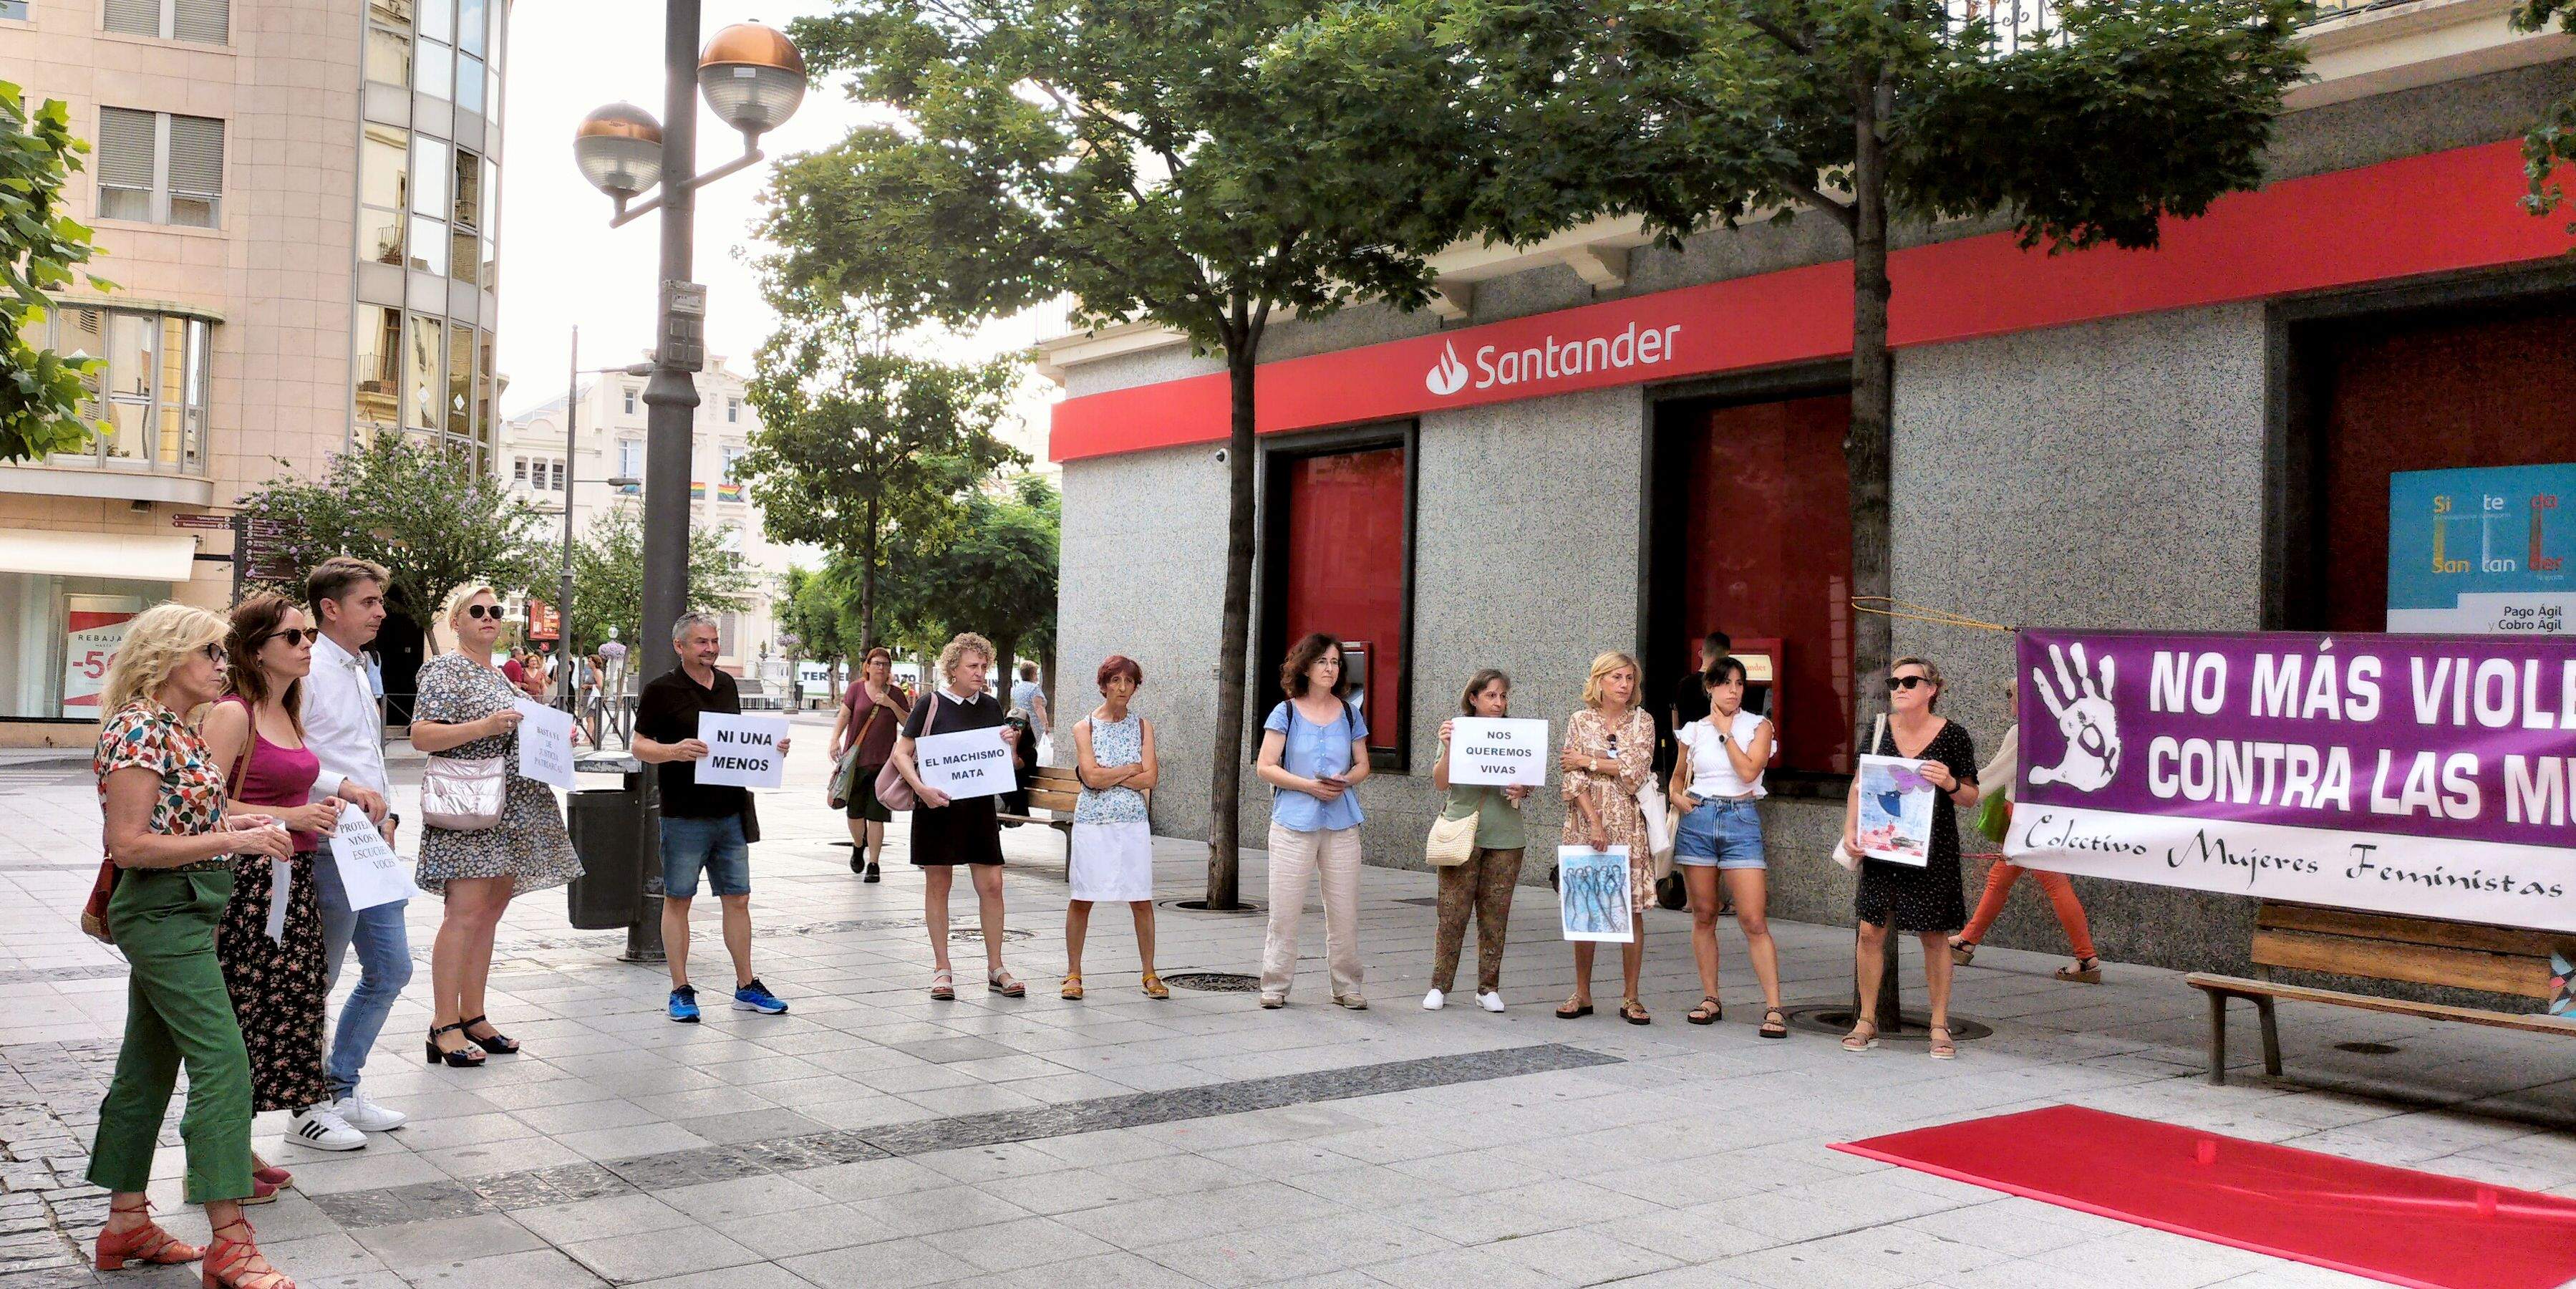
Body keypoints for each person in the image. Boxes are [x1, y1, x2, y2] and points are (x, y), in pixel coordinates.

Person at [87, 602, 299, 1287]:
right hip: (161, 913)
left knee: (146, 1067)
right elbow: (130, 844)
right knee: (223, 1065)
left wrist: (250, 820)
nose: (220, 664)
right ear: (168, 655)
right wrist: (234, 839)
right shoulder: (139, 731)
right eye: (208, 652)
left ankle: (125, 1224)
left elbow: (193, 813)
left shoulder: (176, 728)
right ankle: (230, 1242)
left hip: (189, 909)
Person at [202, 596, 359, 1165]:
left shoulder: (287, 709)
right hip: (245, 881)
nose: (307, 645)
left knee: (289, 1003)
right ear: (256, 650)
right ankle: (222, 1148)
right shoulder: (233, 712)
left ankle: (246, 1140)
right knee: (245, 1009)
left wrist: (332, 799)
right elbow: (206, 801)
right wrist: (289, 817)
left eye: (308, 635)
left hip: (291, 876)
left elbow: (292, 788)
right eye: (293, 637)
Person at [410, 586, 583, 1066]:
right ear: (456, 622)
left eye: (496, 611)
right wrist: (484, 727)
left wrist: (548, 729)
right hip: (470, 805)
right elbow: (422, 734)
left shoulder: (503, 674)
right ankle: (443, 1024)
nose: (489, 618)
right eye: (477, 611)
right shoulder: (446, 668)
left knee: (488, 914)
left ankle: (473, 1015)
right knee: (464, 913)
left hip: (513, 808)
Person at [633, 612, 792, 1023]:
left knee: (738, 898)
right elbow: (639, 746)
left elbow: (736, 742)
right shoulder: (660, 690)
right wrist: (673, 751)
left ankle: (746, 985)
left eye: (715, 641)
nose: (711, 648)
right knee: (679, 898)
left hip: (730, 810)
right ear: (680, 647)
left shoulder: (727, 685)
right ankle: (680, 989)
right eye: (702, 642)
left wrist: (772, 749)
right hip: (684, 813)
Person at [300, 558, 411, 1141]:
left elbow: (367, 752)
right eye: (369, 602)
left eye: (380, 601)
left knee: (391, 968)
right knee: (318, 975)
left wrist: (388, 812)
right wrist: (341, 792)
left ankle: (341, 1086)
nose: (380, 612)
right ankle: (306, 1104)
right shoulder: (308, 668)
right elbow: (294, 757)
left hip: (370, 843)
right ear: (331, 608)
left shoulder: (359, 665)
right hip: (329, 842)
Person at [1842, 656, 1980, 1060]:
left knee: (1934, 936)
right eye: (1894, 681)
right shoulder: (1880, 728)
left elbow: (1972, 796)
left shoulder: (1952, 736)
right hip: (1883, 846)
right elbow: (1859, 783)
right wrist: (1850, 829)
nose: (1899, 688)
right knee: (1870, 931)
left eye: (1909, 681)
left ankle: (1939, 1024)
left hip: (1932, 848)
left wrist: (1951, 782)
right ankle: (1866, 1019)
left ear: (1931, 690)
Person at [888, 632, 1025, 999]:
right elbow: (902, 753)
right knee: (938, 885)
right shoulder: (931, 704)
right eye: (973, 667)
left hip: (978, 810)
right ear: (953, 669)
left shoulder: (992, 707)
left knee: (993, 885)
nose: (980, 673)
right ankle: (942, 969)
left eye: (984, 666)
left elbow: (1004, 766)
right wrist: (921, 789)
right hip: (937, 808)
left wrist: (1011, 750)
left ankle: (996, 967)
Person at [1950, 682, 2101, 983]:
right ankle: (1967, 940)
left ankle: (2087, 959)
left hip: (2025, 818)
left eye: (2011, 694)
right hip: (2045, 816)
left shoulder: (2022, 731)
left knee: (2054, 883)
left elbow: (1994, 775)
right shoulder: (2058, 729)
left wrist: (1954, 788)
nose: (2008, 700)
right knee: (2000, 878)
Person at [1670, 656, 1788, 1037]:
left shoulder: (1759, 725)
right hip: (1699, 818)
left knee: (1754, 919)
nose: (1733, 691)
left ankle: (1774, 1007)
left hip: (1741, 818)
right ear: (1709, 687)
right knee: (1703, 914)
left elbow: (1749, 771)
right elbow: (1677, 775)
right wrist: (1676, 796)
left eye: (1739, 684)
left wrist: (1726, 733)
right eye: (1724, 683)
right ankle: (1711, 997)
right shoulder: (1692, 730)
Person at [1254, 632, 1372, 1010]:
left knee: (1344, 910)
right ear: (1304, 666)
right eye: (1322, 661)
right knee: (1284, 910)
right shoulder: (1286, 711)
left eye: (1336, 662)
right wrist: (1308, 786)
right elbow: (1265, 766)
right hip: (1293, 822)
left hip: (1341, 821)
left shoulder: (1351, 712)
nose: (1330, 668)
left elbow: (1363, 764)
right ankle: (1274, 984)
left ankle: (1347, 985)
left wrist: (1345, 781)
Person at [1559, 652, 1657, 1024]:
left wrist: (1591, 760)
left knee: (1630, 908)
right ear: (1599, 680)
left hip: (1629, 821)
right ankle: (1582, 992)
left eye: (1630, 678)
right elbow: (1570, 775)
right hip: (1586, 822)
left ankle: (1631, 996)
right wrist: (1594, 822)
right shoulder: (1579, 720)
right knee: (1585, 904)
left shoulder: (1643, 721)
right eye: (1616, 677)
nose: (1624, 685)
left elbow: (1636, 770)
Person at [1424, 670, 1529, 1013]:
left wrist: (1522, 788)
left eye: (1503, 696)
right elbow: (1440, 782)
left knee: (1495, 915)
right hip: (1460, 830)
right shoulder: (1456, 730)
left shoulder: (1516, 734)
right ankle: (1440, 985)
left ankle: (1488, 987)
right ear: (1474, 698)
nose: (1499, 703)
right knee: (1451, 913)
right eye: (1491, 696)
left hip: (1505, 834)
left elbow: (1527, 782)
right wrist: (1450, 747)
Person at [1062, 655, 1162, 1000]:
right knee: (1083, 896)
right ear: (1103, 685)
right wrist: (1130, 768)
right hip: (1093, 824)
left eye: (1129, 682)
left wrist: (1111, 775)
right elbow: (1090, 776)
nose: (1123, 688)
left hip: (1133, 823)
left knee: (1141, 898)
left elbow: (1151, 777)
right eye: (1115, 681)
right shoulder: (1084, 727)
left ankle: (1149, 972)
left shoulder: (1143, 726)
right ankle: (1073, 972)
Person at [831, 647, 911, 881]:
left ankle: (874, 864)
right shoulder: (856, 689)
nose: (881, 668)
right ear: (867, 666)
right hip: (856, 762)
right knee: (855, 813)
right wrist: (835, 739)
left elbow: (908, 723)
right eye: (876, 663)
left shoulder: (895, 694)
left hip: (884, 766)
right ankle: (858, 846)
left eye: (885, 664)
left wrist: (890, 704)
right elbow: (844, 716)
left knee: (877, 816)